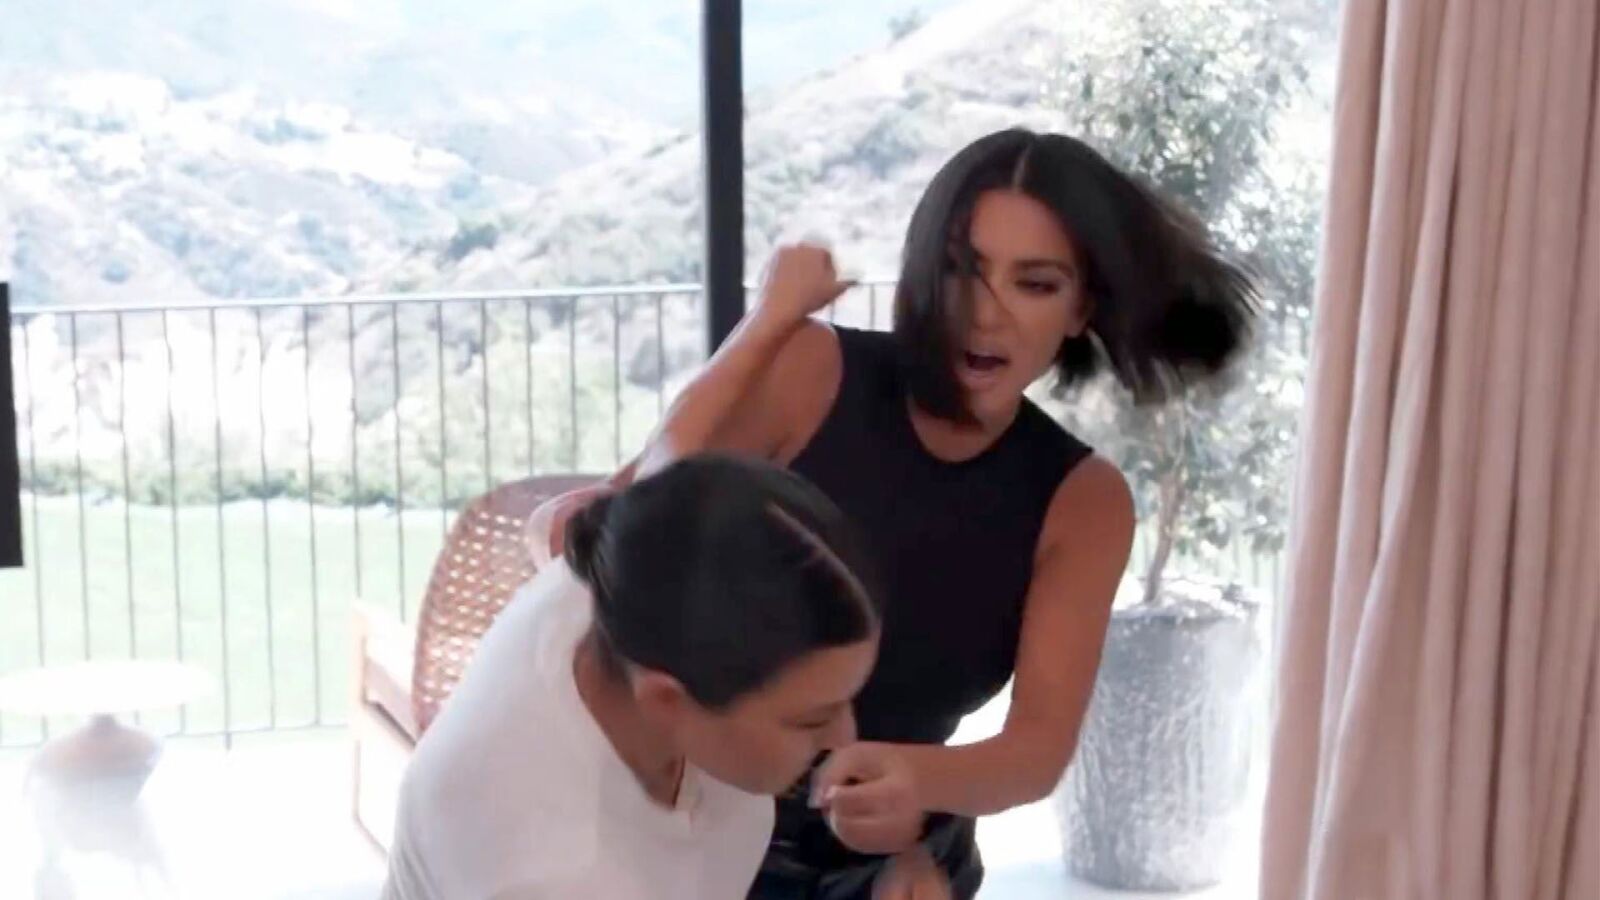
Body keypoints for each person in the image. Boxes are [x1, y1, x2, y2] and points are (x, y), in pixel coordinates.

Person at [529, 127, 1258, 898]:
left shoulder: (1085, 502)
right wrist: (766, 323)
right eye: (959, 269)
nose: (985, 314)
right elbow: (616, 530)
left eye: (1035, 284)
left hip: (900, 864)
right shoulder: (810, 372)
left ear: (1082, 309)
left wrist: (915, 791)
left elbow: (1035, 752)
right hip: (686, 834)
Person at [380, 455, 947, 900]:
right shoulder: (549, 871)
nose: (845, 738)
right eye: (810, 719)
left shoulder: (628, 594)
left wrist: (901, 852)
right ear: (667, 700)